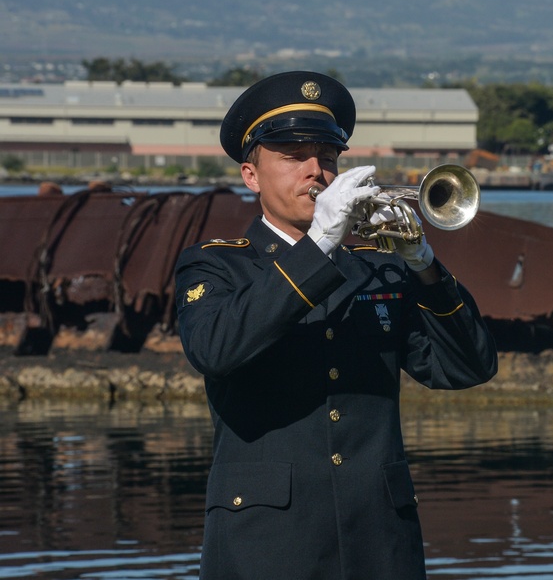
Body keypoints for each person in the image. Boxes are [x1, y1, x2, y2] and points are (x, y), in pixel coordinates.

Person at [174, 71, 498, 579]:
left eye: (327, 157)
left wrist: (424, 265)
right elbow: (216, 350)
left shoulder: (377, 265)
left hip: (380, 544)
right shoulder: (215, 265)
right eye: (293, 156)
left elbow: (467, 368)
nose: (316, 171)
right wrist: (319, 245)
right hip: (266, 546)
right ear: (251, 176)